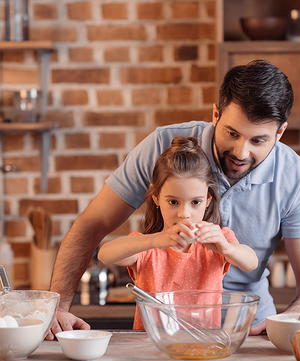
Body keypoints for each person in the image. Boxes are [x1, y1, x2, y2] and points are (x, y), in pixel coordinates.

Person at [47, 59, 300, 340]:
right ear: (216, 114)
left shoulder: (294, 175)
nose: (241, 152)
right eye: (232, 134)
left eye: (258, 140)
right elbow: (91, 226)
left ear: (280, 133)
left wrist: (293, 319)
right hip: (163, 334)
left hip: (249, 333)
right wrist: (58, 309)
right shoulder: (164, 147)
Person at [97, 136, 258, 330]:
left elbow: (251, 262)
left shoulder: (219, 241)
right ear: (156, 197)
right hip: (151, 348)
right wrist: (156, 240)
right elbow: (105, 254)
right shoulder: (150, 247)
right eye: (173, 202)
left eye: (195, 202)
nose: (184, 214)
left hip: (203, 345)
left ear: (207, 199)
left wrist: (226, 248)